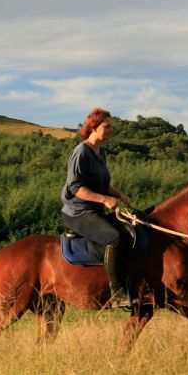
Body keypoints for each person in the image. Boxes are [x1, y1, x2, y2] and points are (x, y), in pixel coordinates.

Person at [60, 108, 135, 309]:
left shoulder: (100, 152)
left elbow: (101, 182)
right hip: (78, 212)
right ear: (93, 127)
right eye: (107, 126)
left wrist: (118, 194)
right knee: (114, 237)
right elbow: (76, 188)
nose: (111, 130)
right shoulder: (81, 152)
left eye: (111, 126)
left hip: (94, 210)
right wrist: (104, 200)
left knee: (129, 231)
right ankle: (118, 294)